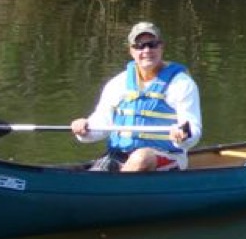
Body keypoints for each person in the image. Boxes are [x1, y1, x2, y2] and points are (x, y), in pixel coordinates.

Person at [71, 22, 203, 171]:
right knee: (102, 168)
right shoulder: (118, 83)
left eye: (152, 44)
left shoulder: (182, 84)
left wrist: (183, 135)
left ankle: (112, 190)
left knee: (141, 158)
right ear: (131, 51)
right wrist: (85, 128)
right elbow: (102, 122)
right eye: (139, 46)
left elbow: (193, 128)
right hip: (119, 155)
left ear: (161, 47)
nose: (146, 50)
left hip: (167, 155)